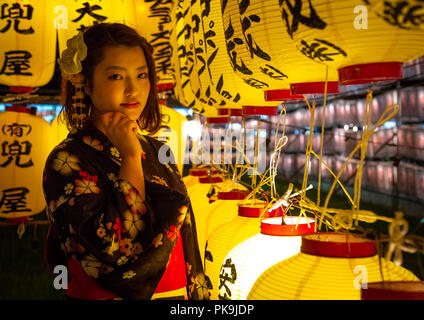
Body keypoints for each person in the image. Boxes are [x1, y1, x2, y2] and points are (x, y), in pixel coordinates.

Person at [43, 23, 209, 300]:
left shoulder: (158, 150)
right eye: (117, 76)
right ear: (85, 82)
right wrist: (130, 157)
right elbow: (118, 247)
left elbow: (186, 237)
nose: (134, 89)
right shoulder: (66, 159)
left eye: (142, 75)